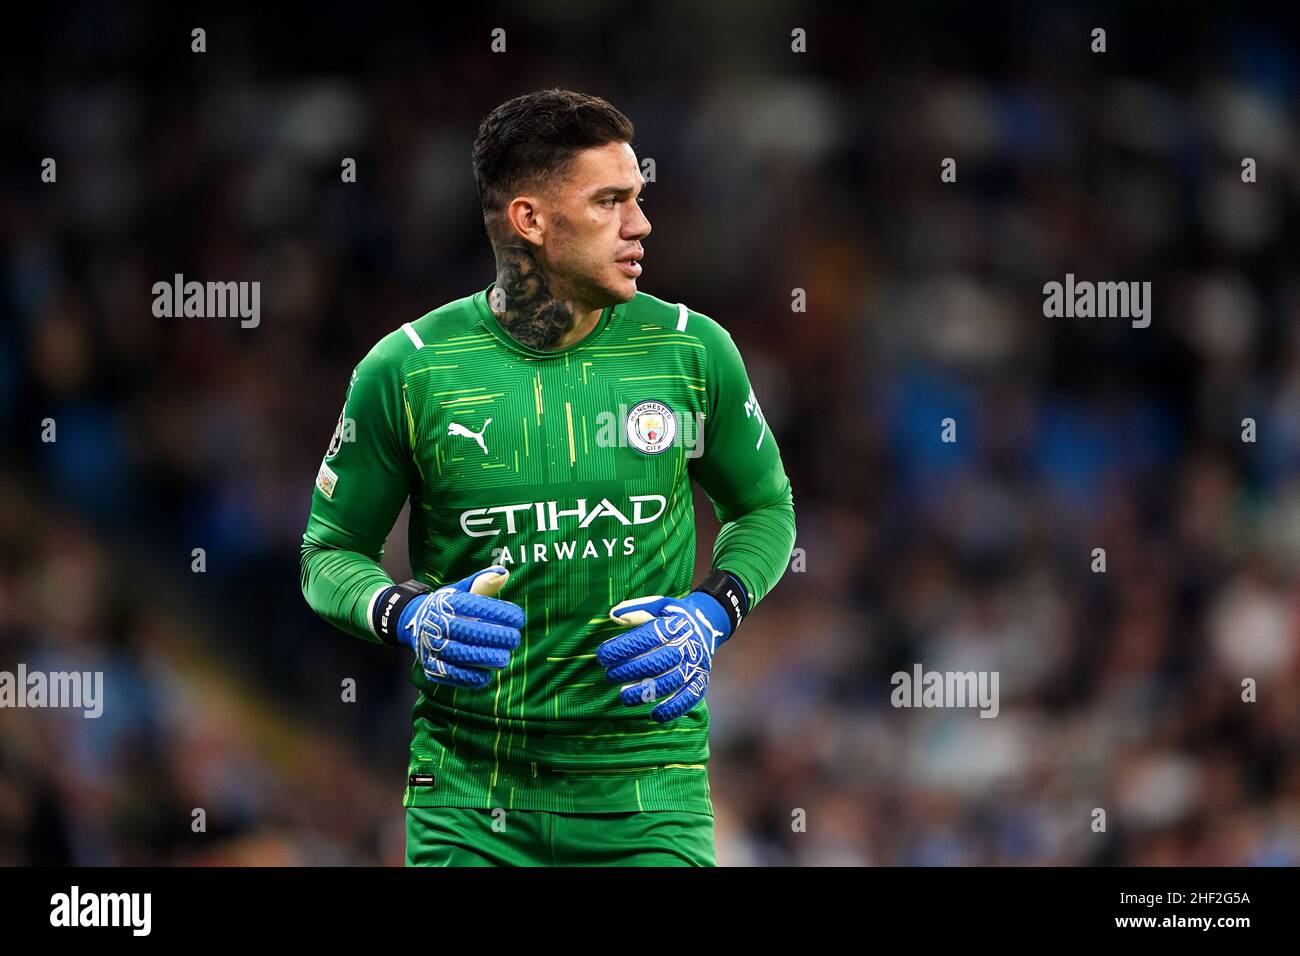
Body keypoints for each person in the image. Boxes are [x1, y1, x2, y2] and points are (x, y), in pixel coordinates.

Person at [300, 89, 796, 866]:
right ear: (531, 221)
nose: (641, 225)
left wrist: (714, 610)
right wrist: (405, 614)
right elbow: (327, 554)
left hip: (647, 797)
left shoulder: (692, 351)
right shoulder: (409, 369)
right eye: (611, 202)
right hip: (469, 800)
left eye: (639, 199)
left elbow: (765, 506)